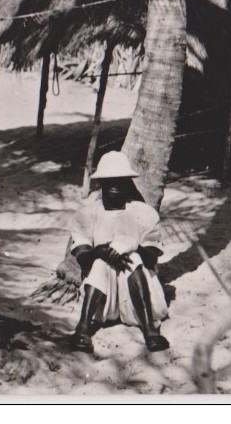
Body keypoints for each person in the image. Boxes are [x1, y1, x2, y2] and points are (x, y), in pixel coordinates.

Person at [59, 150, 170, 354]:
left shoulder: (143, 213)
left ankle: (149, 330)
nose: (115, 186)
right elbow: (83, 256)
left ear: (128, 182)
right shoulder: (88, 214)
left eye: (120, 180)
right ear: (101, 183)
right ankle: (83, 328)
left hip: (138, 297)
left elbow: (152, 256)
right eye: (109, 181)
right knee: (101, 262)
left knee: (134, 258)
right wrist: (99, 252)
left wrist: (130, 246)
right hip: (104, 300)